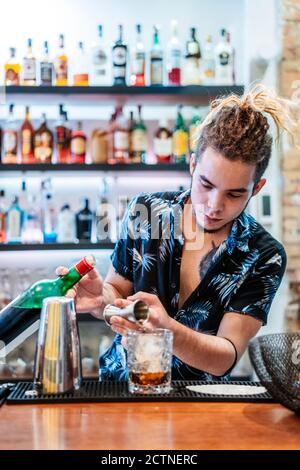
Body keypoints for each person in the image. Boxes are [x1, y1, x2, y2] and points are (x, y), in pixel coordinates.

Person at [57, 84, 297, 381]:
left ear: (256, 189)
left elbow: (226, 356)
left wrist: (167, 329)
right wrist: (101, 298)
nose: (213, 206)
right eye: (206, 185)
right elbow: (117, 295)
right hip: (122, 388)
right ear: (193, 165)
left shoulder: (264, 254)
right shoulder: (145, 212)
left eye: (234, 194)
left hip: (199, 404)